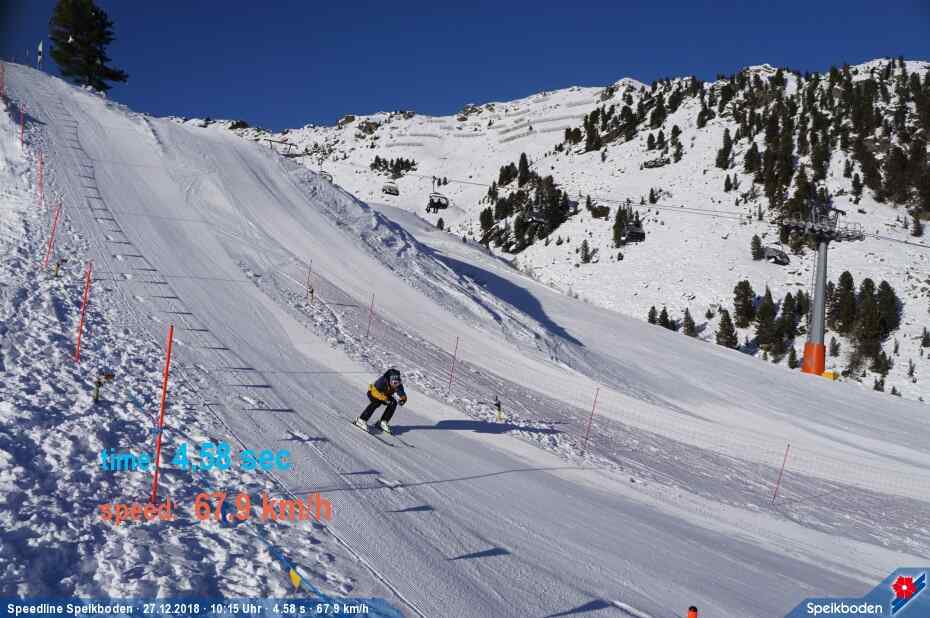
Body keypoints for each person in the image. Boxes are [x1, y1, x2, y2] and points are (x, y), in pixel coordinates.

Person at [354, 368, 407, 434]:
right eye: (394, 383)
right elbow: (375, 391)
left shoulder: (398, 385)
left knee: (393, 403)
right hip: (373, 393)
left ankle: (383, 422)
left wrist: (403, 399)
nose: (395, 385)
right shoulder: (382, 381)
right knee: (376, 402)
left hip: (385, 395)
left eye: (398, 382)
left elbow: (401, 392)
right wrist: (384, 398)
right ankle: (361, 420)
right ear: (390, 379)